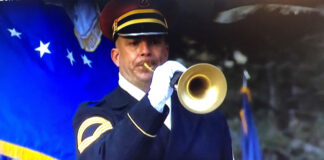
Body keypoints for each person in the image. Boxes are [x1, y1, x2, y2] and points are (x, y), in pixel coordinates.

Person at [72, 0, 233, 159]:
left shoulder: (208, 116)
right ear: (116, 57)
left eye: (154, 42)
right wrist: (152, 104)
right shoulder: (96, 115)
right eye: (134, 43)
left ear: (165, 52)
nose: (145, 51)